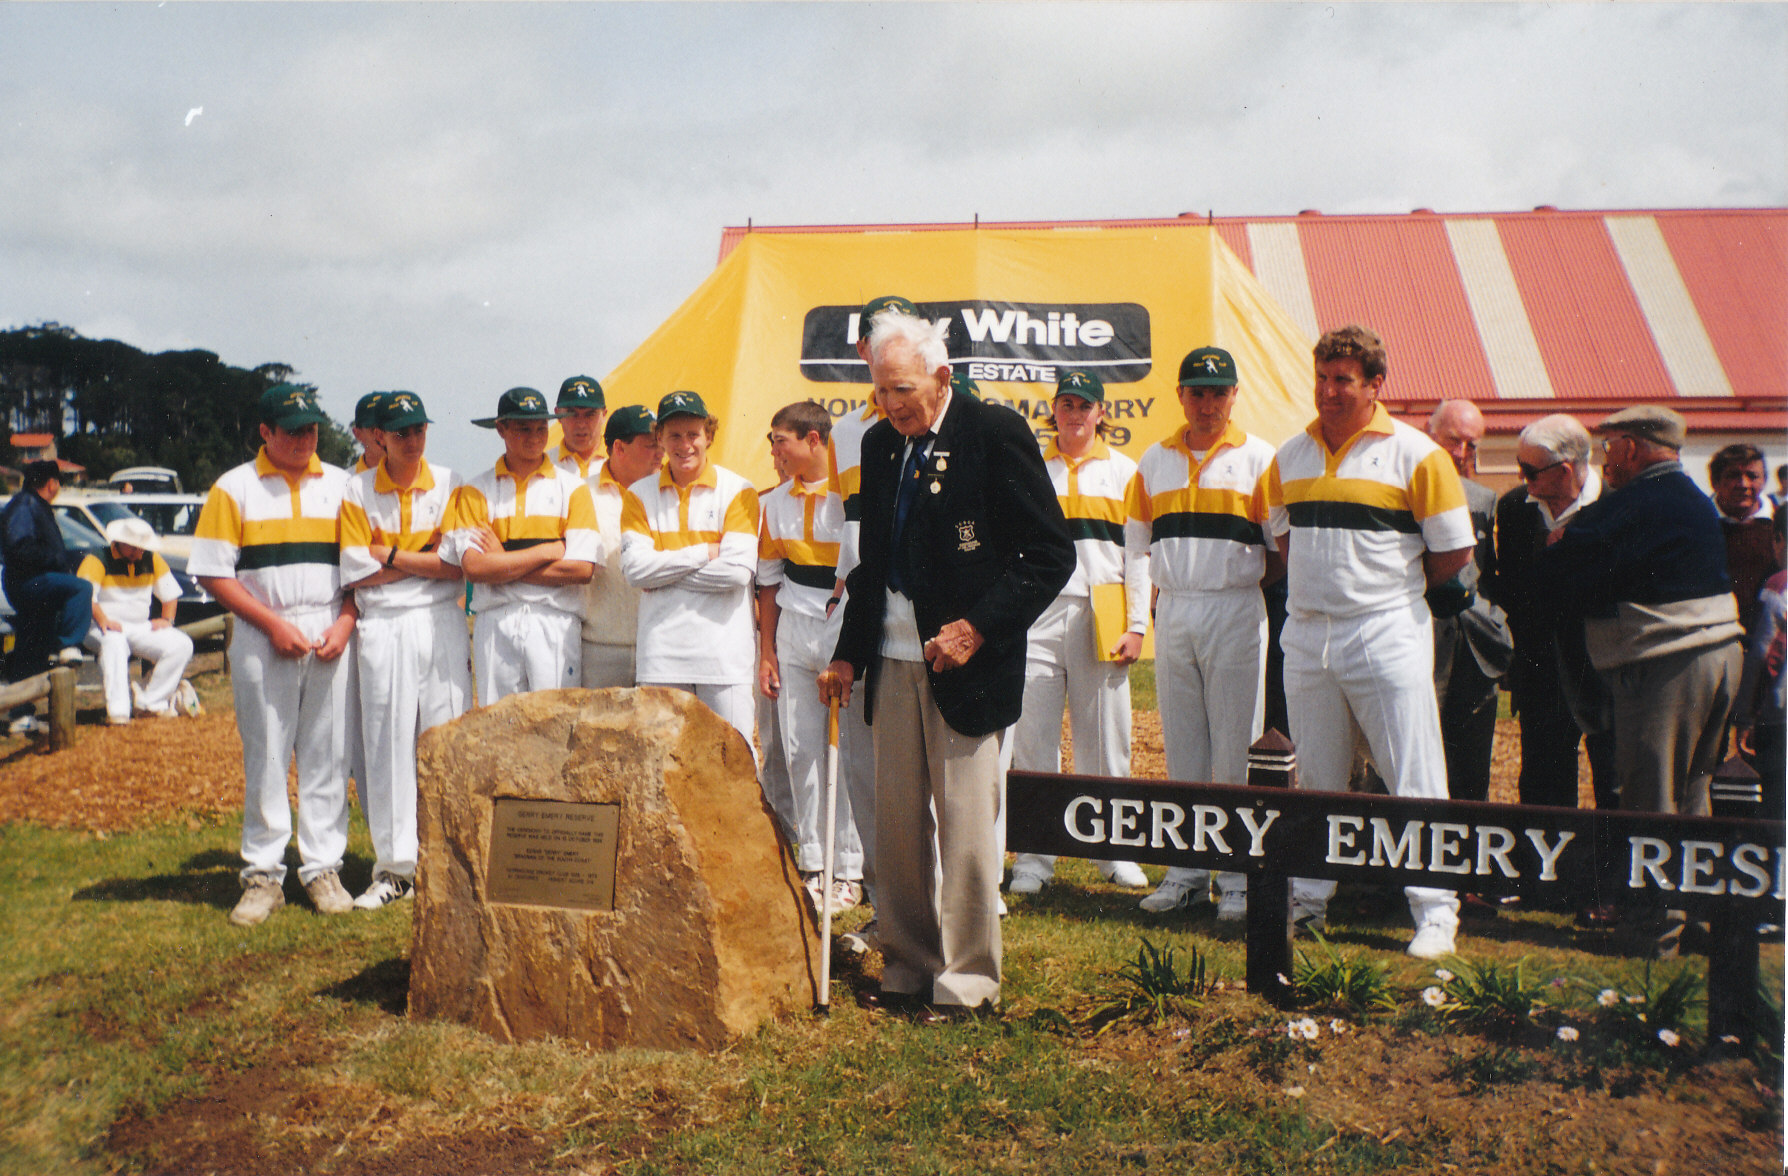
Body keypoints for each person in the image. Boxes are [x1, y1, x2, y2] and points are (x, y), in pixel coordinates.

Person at [820, 310, 1074, 1019]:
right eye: (878, 391)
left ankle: (968, 984)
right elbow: (872, 565)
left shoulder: (993, 434)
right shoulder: (878, 445)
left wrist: (977, 628)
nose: (890, 405)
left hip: (967, 667)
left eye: (901, 390)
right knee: (896, 832)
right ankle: (907, 968)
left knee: (965, 830)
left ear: (941, 377)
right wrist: (847, 656)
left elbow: (1050, 556)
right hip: (892, 661)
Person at [1266, 325, 1475, 960]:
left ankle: (1436, 911)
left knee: (1412, 773)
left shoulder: (1418, 455)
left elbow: (1453, 553)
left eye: (1344, 380)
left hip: (1386, 630)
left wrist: (1381, 594)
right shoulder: (1289, 457)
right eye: (1322, 378)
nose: (1329, 392)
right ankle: (1306, 903)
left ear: (1375, 384)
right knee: (1318, 778)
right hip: (1308, 636)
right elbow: (1282, 539)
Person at [1538, 407, 1744, 956]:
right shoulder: (1691, 499)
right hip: (1721, 653)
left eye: (1610, 449)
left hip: (1667, 663)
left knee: (1649, 798)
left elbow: (1561, 569)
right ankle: (1695, 915)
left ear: (1630, 448)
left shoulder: (1634, 503)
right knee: (1694, 793)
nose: (1606, 461)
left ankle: (1652, 930)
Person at [190, 384, 358, 927]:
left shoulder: (342, 485)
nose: (303, 438)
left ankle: (322, 868)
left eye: (310, 428)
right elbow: (213, 573)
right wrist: (272, 625)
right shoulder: (234, 488)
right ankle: (263, 876)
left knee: (327, 753)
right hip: (265, 631)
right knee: (265, 754)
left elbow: (359, 568)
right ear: (265, 432)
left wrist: (346, 621)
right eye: (291, 429)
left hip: (327, 626)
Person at [1125, 348, 1280, 919]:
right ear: (1181, 397)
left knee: (1236, 748)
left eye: (1218, 392)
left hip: (1235, 606)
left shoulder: (1261, 459)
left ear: (1235, 395)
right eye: (1197, 392)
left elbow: (1278, 550)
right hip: (1179, 611)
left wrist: (1241, 584)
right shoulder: (1154, 461)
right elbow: (1137, 550)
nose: (1208, 403)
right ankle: (1186, 873)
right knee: (1185, 745)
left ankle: (1237, 882)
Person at [1005, 370, 1152, 898]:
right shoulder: (1032, 470)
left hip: (1102, 611)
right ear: (1056, 410)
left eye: (1084, 405)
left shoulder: (1127, 472)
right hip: (1039, 613)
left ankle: (1114, 852)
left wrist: (1137, 625)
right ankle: (1033, 860)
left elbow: (1138, 555)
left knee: (1105, 739)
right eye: (1066, 403)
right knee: (1034, 738)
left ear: (1100, 412)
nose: (1075, 413)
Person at [338, 392, 470, 910]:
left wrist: (387, 554)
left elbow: (457, 563)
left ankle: (450, 863)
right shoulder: (356, 488)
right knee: (388, 743)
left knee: (446, 737)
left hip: (440, 619)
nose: (412, 441)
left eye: (418, 430)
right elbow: (354, 567)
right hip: (384, 623)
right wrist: (422, 558)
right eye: (400, 434)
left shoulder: (452, 481)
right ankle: (395, 869)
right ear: (379, 438)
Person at [757, 400, 865, 913]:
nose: (774, 449)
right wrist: (767, 653)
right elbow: (769, 581)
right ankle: (813, 863)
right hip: (792, 633)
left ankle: (849, 870)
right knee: (800, 749)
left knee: (841, 751)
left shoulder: (851, 498)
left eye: (781, 439)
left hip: (840, 628)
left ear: (814, 441)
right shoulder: (774, 502)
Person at [1481, 414, 1615, 811]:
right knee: (1543, 786)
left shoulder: (1617, 508)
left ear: (1566, 470)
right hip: (1541, 673)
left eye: (1529, 470)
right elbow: (1515, 592)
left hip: (1604, 672)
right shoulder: (1515, 508)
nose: (1523, 478)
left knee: (1614, 782)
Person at [620, 391, 761, 753]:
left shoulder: (739, 491)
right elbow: (636, 571)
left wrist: (663, 569)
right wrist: (703, 552)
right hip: (661, 658)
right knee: (662, 771)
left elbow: (736, 574)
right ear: (661, 440)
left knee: (735, 768)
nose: (685, 445)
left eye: (693, 434)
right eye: (674, 436)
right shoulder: (638, 494)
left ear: (708, 435)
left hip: (724, 659)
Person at [441, 387, 599, 705]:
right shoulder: (475, 491)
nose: (535, 436)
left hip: (554, 620)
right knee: (497, 728)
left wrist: (504, 561)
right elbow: (474, 568)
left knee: (555, 725)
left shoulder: (573, 490)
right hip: (496, 621)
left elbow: (581, 569)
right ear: (501, 429)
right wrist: (546, 551)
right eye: (523, 428)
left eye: (541, 427)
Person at [1422, 400, 1512, 803]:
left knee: (1470, 760)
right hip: (1421, 637)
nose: (1461, 454)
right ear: (1430, 435)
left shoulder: (1484, 500)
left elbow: (1490, 572)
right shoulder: (1405, 490)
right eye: (1453, 441)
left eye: (1471, 446)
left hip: (1473, 643)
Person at [1, 459, 92, 734]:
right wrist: (55, 560)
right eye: (59, 483)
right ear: (51, 483)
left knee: (33, 646)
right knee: (81, 588)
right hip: (27, 582)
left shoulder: (33, 505)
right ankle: (68, 645)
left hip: (33, 582)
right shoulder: (25, 506)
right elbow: (19, 547)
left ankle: (21, 715)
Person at [77, 517, 194, 724]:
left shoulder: (152, 559)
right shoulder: (97, 559)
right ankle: (118, 711)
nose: (138, 552)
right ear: (119, 542)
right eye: (133, 547)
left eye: (141, 548)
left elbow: (170, 594)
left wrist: (167, 619)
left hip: (139, 627)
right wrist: (103, 620)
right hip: (100, 626)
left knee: (182, 644)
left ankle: (149, 702)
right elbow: (86, 596)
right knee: (114, 643)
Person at [579, 405, 662, 688]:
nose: (660, 452)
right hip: (597, 648)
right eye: (651, 445)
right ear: (619, 447)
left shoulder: (670, 495)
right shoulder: (580, 494)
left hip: (658, 646)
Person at [1733, 512, 1785, 819]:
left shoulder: (1778, 587)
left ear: (1778, 539)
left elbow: (1763, 653)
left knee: (1776, 804)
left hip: (1779, 715)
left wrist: (1744, 715)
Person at [1708, 443, 1774, 633]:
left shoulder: (1780, 524)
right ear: (1715, 481)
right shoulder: (1698, 523)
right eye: (1733, 475)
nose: (1743, 484)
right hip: (1713, 635)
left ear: (1764, 481)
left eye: (1752, 476)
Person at [553, 375, 609, 480]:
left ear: (604, 415)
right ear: (558, 414)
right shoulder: (543, 466)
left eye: (590, 414)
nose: (581, 424)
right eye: (572, 414)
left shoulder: (621, 463)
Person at [349, 392, 388, 475]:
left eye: (388, 427)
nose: (382, 436)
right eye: (374, 430)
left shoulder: (420, 477)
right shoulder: (343, 482)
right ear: (357, 434)